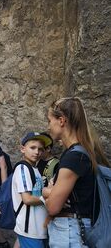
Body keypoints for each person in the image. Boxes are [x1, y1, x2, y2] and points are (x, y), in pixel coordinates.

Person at [42, 97, 110, 247]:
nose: (48, 127)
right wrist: (48, 191)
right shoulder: (80, 153)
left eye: (49, 120)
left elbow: (53, 207)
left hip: (69, 233)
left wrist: (48, 193)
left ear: (61, 120)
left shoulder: (74, 157)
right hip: (72, 230)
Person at [12, 132, 52, 248]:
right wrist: (49, 198)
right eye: (32, 147)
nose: (37, 152)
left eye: (40, 149)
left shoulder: (35, 169)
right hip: (30, 228)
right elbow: (27, 199)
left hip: (37, 228)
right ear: (22, 149)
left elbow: (36, 192)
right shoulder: (23, 168)